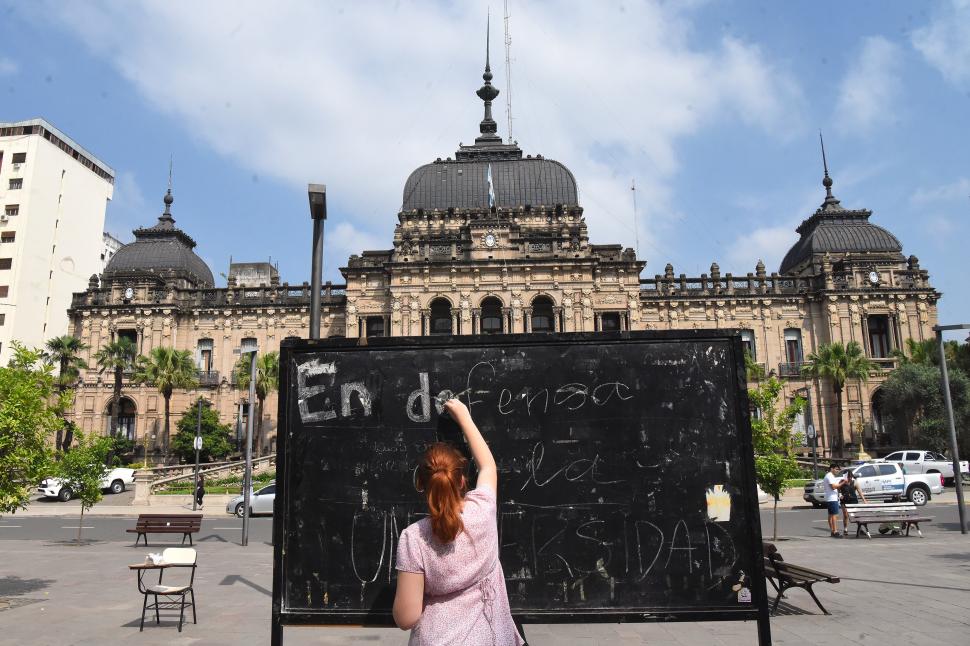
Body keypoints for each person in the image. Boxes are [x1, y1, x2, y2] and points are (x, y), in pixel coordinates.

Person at [393, 398, 525, 646]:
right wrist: (464, 416)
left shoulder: (414, 538)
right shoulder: (483, 511)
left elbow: (406, 618)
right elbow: (487, 466)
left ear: (420, 485)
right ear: (463, 481)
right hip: (491, 638)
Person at [839, 469, 867, 536]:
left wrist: (864, 500)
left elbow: (860, 492)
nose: (849, 478)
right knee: (845, 515)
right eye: (847, 477)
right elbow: (838, 490)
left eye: (850, 476)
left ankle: (860, 529)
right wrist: (840, 495)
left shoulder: (855, 482)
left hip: (853, 500)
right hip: (844, 500)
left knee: (856, 515)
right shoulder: (841, 482)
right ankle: (845, 529)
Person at [821, 464, 845, 538]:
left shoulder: (830, 476)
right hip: (832, 498)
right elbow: (833, 487)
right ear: (832, 469)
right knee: (834, 515)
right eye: (836, 469)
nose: (838, 471)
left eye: (838, 469)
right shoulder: (830, 476)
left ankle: (832, 531)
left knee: (831, 515)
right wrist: (843, 482)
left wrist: (840, 483)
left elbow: (835, 485)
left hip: (831, 498)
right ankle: (835, 531)